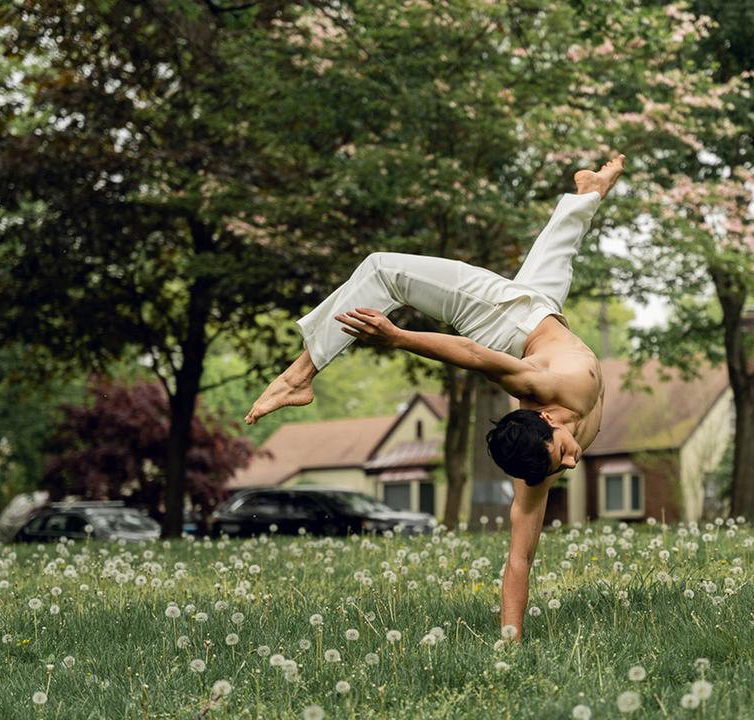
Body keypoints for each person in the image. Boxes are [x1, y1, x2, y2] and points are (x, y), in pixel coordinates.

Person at [244, 155, 624, 638]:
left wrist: (398, 336)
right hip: (542, 314)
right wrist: (511, 641)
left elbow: (472, 352)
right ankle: (588, 192)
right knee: (559, 246)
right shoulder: (538, 462)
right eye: (563, 463)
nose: (571, 464)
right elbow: (519, 559)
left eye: (563, 454)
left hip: (506, 322)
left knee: (383, 272)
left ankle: (301, 374)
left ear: (546, 418)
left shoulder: (543, 387)